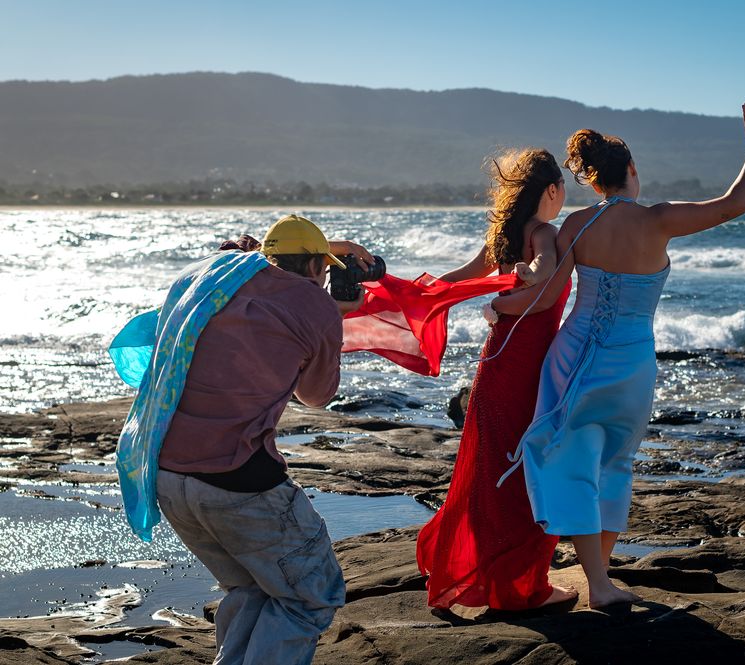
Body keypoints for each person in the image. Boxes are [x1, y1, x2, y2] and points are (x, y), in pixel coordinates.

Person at [492, 104, 745, 608]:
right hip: (632, 362)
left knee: (575, 460)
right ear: (632, 172)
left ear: (596, 182)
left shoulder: (575, 224)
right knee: (616, 463)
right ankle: (600, 583)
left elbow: (549, 297)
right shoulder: (659, 220)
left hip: (573, 357)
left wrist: (498, 306)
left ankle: (595, 580)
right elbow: (733, 204)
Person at [154, 214, 372, 664]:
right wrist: (335, 315)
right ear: (316, 267)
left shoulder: (216, 277)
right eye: (326, 268)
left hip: (166, 472)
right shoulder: (314, 305)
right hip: (237, 480)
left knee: (252, 588)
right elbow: (316, 396)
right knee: (311, 596)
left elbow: (260, 264)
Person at [416, 148, 579, 610]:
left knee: (492, 467)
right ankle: (521, 584)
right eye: (562, 188)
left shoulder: (504, 236)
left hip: (496, 360)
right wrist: (527, 275)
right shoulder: (545, 233)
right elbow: (544, 283)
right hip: (529, 367)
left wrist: (423, 294)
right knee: (526, 465)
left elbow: (463, 278)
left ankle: (483, 571)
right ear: (551, 191)